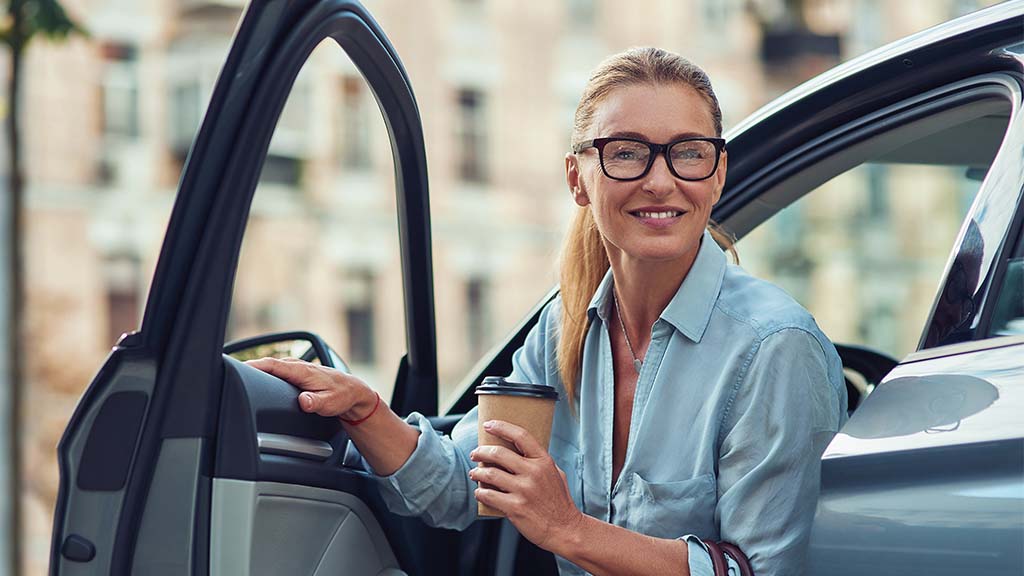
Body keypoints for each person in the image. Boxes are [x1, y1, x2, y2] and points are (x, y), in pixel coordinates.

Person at [249, 47, 848, 576]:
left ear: (717, 174)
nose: (660, 181)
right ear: (578, 178)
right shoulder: (565, 331)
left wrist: (568, 529)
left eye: (687, 154)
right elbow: (464, 486)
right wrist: (365, 409)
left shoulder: (774, 346)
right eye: (626, 152)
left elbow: (761, 572)